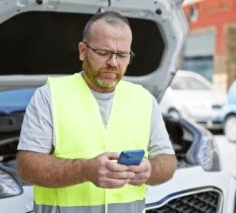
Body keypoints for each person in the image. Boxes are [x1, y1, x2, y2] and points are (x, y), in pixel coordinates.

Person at [17, 11, 177, 213]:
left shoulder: (145, 100)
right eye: (103, 52)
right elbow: (27, 167)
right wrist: (85, 170)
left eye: (122, 55)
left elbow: (168, 161)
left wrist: (150, 170)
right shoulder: (49, 96)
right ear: (83, 51)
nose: (113, 62)